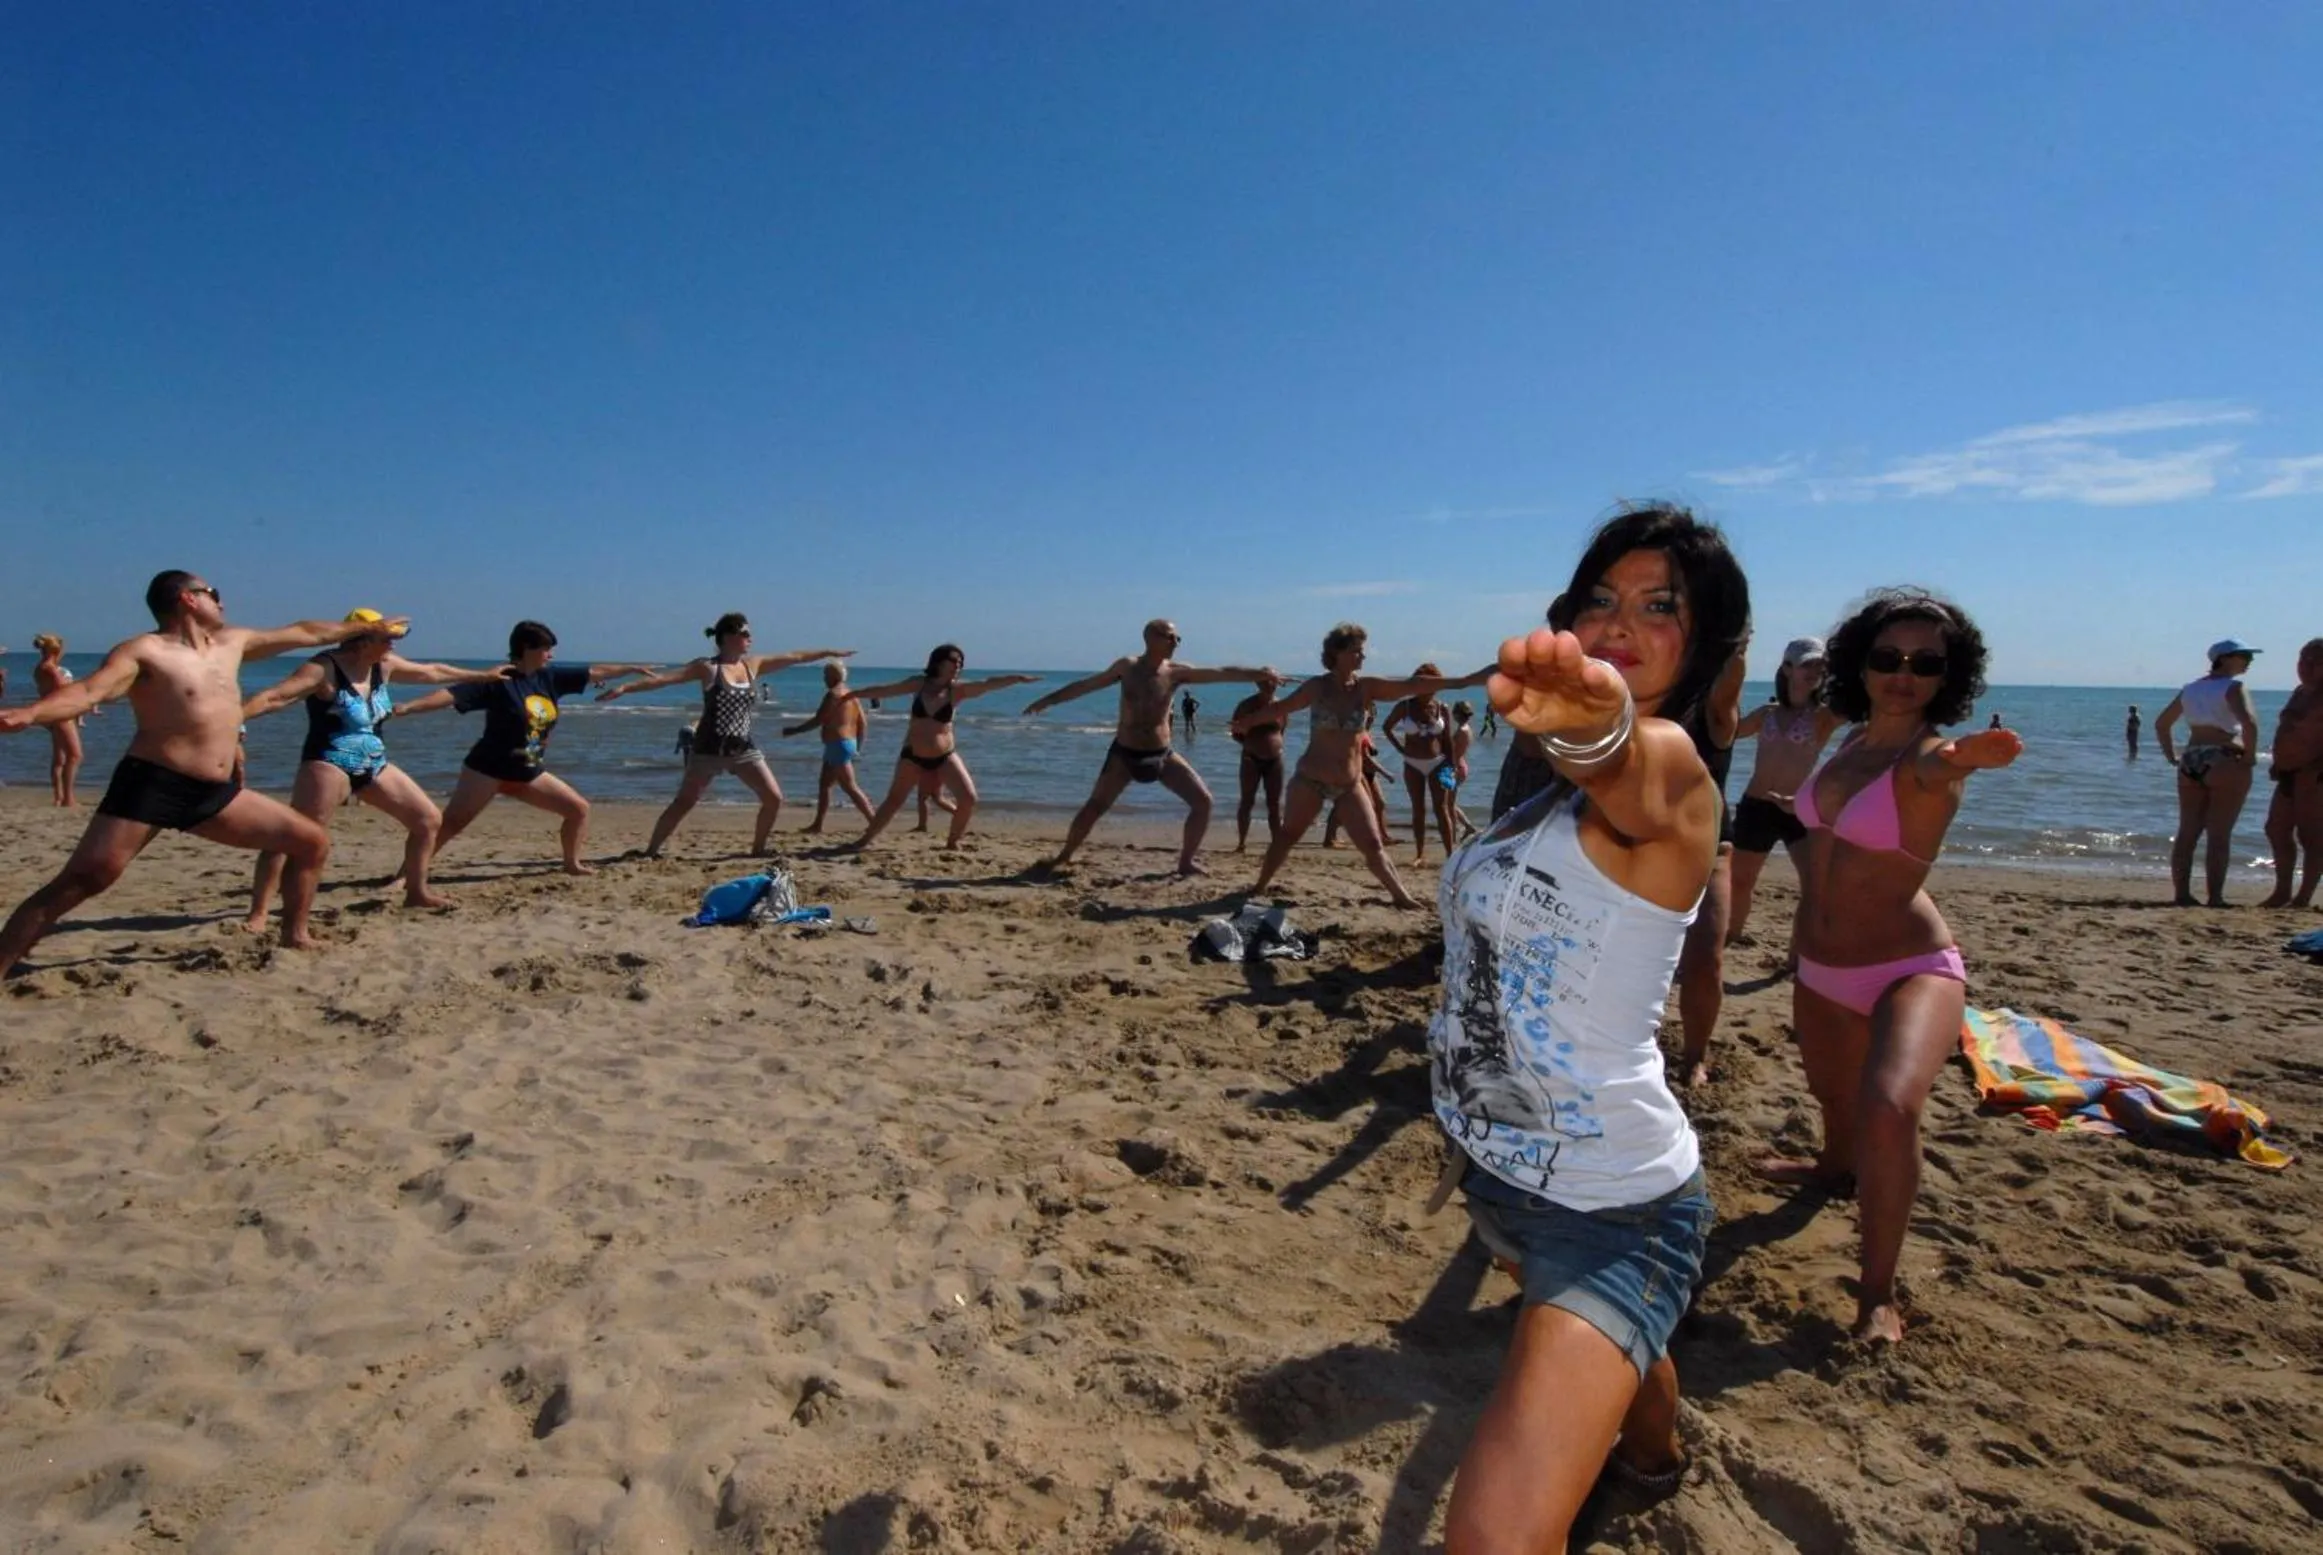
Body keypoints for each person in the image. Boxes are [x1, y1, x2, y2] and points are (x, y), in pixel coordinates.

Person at [1430, 505, 1743, 1551]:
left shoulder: (1675, 774)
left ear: (1704, 646)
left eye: (1661, 606)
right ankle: (1654, 1453)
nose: (1622, 622)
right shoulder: (1534, 806)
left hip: (1615, 1206)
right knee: (1619, 1341)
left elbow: (1630, 768)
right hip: (1498, 1171)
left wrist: (1590, 726)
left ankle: (1643, 1414)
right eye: (1601, 598)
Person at [1755, 588, 2019, 1345]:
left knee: (1888, 1104)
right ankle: (1828, 1169)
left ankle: (1877, 1294)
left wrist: (1977, 752)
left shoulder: (1929, 754)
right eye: (1887, 657)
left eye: (1925, 662)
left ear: (1949, 675)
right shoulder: (1850, 742)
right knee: (1832, 1096)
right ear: (1858, 663)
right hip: (1818, 961)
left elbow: (1944, 767)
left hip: (1911, 964)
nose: (1903, 673)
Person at [0, 573, 407, 975]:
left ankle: (294, 935)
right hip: (153, 784)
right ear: (187, 599)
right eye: (214, 593)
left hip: (215, 791)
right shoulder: (145, 651)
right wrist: (30, 714)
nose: (223, 602)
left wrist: (367, 627)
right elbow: (90, 691)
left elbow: (306, 632)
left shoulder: (232, 643)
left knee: (310, 842)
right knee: (85, 880)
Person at [238, 610, 514, 946]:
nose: (393, 643)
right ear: (362, 638)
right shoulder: (324, 668)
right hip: (329, 762)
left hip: (373, 762)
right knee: (297, 837)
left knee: (427, 820)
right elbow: (274, 697)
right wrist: (234, 722)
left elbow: (433, 672)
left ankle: (416, 892)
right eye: (387, 637)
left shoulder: (384, 665)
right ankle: (260, 912)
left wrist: (484, 676)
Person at [1229, 624, 1489, 909]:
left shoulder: (1366, 688)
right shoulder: (1317, 687)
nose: (1362, 657)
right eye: (1356, 651)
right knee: (1288, 836)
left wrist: (1469, 680)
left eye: (1362, 651)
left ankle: (1402, 897)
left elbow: (1412, 686)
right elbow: (1281, 708)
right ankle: (1259, 885)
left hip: (1349, 784)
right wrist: (1247, 722)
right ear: (1337, 653)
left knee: (1373, 845)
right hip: (1310, 780)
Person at [1025, 621, 1274, 876]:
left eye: (1178, 638)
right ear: (1150, 638)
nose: (1176, 642)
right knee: (1096, 805)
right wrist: (1048, 700)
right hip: (1124, 753)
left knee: (1203, 802)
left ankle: (1186, 862)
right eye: (1170, 637)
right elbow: (1087, 686)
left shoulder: (1177, 672)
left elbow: (1222, 673)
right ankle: (1065, 855)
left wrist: (1260, 674)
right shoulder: (1128, 667)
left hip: (1161, 754)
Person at [594, 614, 851, 857]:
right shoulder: (707, 668)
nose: (750, 638)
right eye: (745, 633)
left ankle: (758, 849)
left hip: (743, 749)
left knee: (774, 798)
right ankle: (650, 851)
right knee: (684, 802)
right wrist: (626, 687)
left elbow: (794, 656)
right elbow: (665, 680)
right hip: (708, 749)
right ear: (728, 637)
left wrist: (827, 652)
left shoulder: (753, 665)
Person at [418, 621, 655, 876]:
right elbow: (450, 695)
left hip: (527, 771)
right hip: (487, 769)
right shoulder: (498, 679)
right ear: (526, 648)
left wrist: (629, 669)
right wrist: (405, 709)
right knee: (452, 824)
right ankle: (405, 874)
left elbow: (596, 672)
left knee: (578, 810)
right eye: (546, 649)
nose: (551, 655)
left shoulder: (549, 677)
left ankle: (571, 864)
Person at [843, 646, 1038, 851]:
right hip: (912, 755)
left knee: (968, 799)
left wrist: (1016, 678)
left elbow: (987, 684)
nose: (958, 666)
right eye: (954, 661)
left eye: (961, 663)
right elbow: (887, 690)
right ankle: (865, 840)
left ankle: (953, 841)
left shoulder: (957, 690)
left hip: (944, 756)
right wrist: (853, 694)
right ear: (939, 662)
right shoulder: (919, 684)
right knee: (894, 800)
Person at [1726, 637, 1846, 948]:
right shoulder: (1767, 714)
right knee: (1740, 882)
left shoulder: (1824, 717)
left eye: (1820, 666)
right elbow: (1728, 731)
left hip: (1798, 810)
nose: (1813, 671)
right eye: (1807, 664)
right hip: (1756, 808)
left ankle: (1797, 953)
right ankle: (1731, 937)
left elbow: (1864, 707)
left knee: (1813, 885)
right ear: (1787, 668)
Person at [1671, 637, 1750, 1089]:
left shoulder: (1712, 711)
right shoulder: (1637, 700)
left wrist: (1737, 654)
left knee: (1705, 960)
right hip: (1637, 846)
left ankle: (1694, 1057)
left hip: (1709, 849)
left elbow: (1727, 695)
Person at [2155, 639, 2264, 908]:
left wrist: (2172, 755)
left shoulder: (2191, 689)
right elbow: (2249, 723)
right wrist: (2249, 756)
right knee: (2219, 832)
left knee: (2187, 831)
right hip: (2224, 757)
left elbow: (2162, 723)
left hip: (2192, 758)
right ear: (2224, 659)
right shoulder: (2233, 687)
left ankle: (2182, 894)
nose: (2249, 660)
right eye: (2243, 655)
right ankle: (2215, 896)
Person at [2261, 638, 2323, 909]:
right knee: (2276, 829)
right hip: (2288, 774)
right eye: (2302, 660)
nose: (2305, 667)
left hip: (2314, 776)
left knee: (2312, 836)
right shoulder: (2300, 692)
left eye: (2314, 662)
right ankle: (2282, 890)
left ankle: (2303, 897)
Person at [1382, 666, 1467, 865]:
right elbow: (1387, 727)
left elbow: (1447, 740)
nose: (1431, 687)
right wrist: (1401, 749)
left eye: (1435, 683)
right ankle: (1419, 854)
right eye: (1426, 682)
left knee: (1442, 808)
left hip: (1438, 763)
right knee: (1417, 809)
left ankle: (1450, 853)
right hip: (1413, 764)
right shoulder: (1405, 706)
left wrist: (1452, 765)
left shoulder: (1441, 707)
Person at [783, 659, 879, 833]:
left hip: (838, 744)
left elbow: (819, 720)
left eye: (826, 675)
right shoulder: (852, 695)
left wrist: (794, 730)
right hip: (847, 743)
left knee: (842, 786)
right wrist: (858, 746)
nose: (824, 679)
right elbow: (863, 723)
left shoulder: (833, 695)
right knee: (834, 785)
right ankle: (820, 824)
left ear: (835, 675)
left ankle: (873, 822)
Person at [1229, 670, 1292, 852]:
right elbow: (1235, 731)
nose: (1269, 685)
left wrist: (1274, 746)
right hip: (1251, 759)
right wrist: (1250, 746)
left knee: (1274, 804)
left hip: (1275, 759)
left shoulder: (1281, 706)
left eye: (1272, 681)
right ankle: (1241, 843)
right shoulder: (1247, 705)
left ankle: (1277, 843)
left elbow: (1282, 730)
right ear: (1257, 683)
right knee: (1247, 801)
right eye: (1264, 682)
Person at [30, 635, 83, 807]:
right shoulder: (51, 669)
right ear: (56, 651)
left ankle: (59, 796)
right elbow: (64, 692)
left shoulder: (40, 668)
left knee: (59, 757)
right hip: (61, 715)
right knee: (75, 755)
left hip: (51, 714)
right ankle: (68, 797)